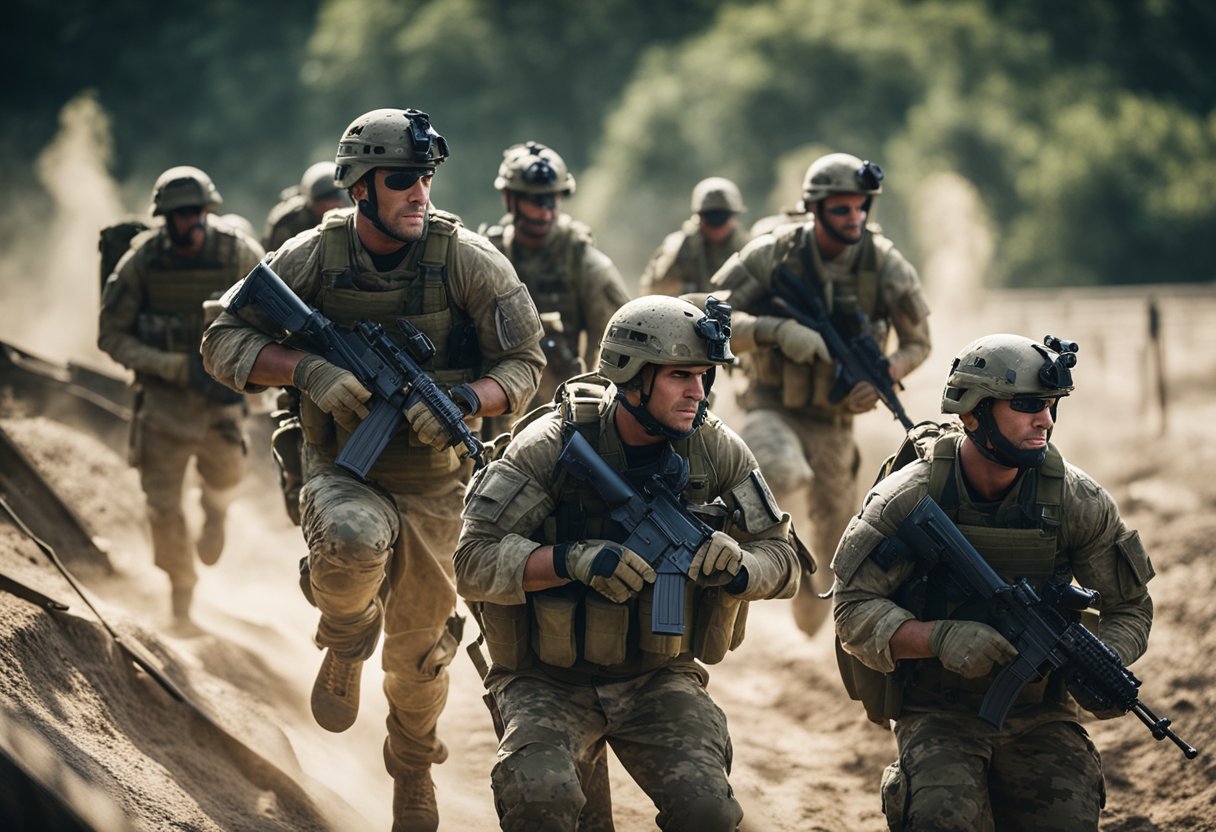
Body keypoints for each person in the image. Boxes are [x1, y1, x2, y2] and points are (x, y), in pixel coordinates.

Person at [200, 108, 545, 832]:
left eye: (425, 177)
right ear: (360, 189)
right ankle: (347, 632)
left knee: (422, 655)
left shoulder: (468, 260)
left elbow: (526, 364)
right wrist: (307, 370)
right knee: (353, 541)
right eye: (401, 179)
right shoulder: (313, 256)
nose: (419, 192)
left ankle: (412, 767)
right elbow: (222, 340)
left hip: (439, 482)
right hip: (341, 465)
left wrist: (466, 398)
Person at [454, 296, 801, 831]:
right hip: (547, 679)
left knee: (708, 811)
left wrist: (739, 568)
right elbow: (472, 561)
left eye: (705, 376)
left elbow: (785, 558)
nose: (698, 392)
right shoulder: (549, 449)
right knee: (540, 801)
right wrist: (570, 560)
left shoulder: (716, 452)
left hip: (655, 678)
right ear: (631, 376)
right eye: (680, 376)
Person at [831, 333, 1155, 831]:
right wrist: (938, 639)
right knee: (941, 818)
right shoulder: (910, 498)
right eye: (1027, 406)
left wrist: (1099, 659)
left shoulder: (1077, 500)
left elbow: (1130, 606)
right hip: (938, 711)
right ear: (973, 413)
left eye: (1050, 407)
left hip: (1041, 714)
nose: (1044, 421)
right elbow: (852, 609)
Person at [710, 152, 931, 637]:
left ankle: (808, 610)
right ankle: (744, 561)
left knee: (837, 540)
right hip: (770, 407)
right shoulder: (776, 253)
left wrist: (883, 375)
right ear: (814, 209)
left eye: (861, 208)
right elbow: (704, 313)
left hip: (833, 424)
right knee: (782, 471)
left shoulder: (885, 264)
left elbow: (919, 342)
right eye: (841, 209)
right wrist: (774, 330)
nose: (854, 218)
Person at [98, 165, 264, 626]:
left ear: (208, 211)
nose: (186, 222)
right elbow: (110, 335)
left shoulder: (237, 252)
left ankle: (215, 513)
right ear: (163, 218)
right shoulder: (144, 261)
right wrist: (173, 367)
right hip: (165, 405)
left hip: (223, 401)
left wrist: (236, 363)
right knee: (163, 505)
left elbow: (276, 317)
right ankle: (181, 596)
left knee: (226, 478)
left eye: (194, 212)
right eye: (177, 215)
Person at [478, 141, 631, 435]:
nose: (545, 211)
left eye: (552, 200)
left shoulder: (585, 264)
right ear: (511, 199)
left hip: (564, 420)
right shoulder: (487, 259)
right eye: (536, 201)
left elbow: (621, 342)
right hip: (497, 417)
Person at [639, 177, 749, 297]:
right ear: (699, 218)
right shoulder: (677, 249)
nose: (716, 226)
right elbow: (658, 292)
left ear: (733, 217)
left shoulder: (746, 248)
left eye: (722, 216)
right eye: (710, 217)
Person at [262, 161, 352, 251]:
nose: (340, 204)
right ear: (315, 202)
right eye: (334, 198)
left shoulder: (351, 215)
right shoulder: (290, 222)